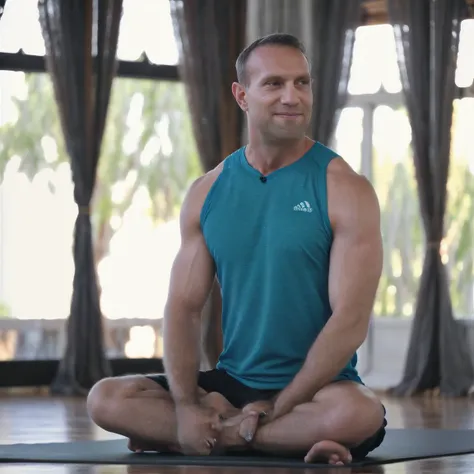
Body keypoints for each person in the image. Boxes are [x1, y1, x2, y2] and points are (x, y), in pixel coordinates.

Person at [87, 33, 386, 466]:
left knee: (357, 413)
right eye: (274, 84)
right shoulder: (208, 191)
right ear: (241, 95)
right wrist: (189, 405)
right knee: (107, 398)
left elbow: (351, 321)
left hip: (319, 389)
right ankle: (266, 437)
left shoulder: (345, 189)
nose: (293, 96)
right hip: (232, 383)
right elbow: (183, 308)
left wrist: (280, 404)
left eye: (303, 83)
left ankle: (211, 437)